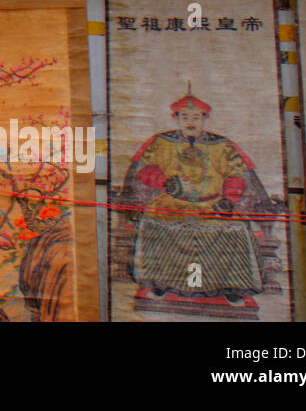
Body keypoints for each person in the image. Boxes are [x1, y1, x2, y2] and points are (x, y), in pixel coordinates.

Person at [119, 87, 277, 305]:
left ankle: (232, 285)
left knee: (236, 230)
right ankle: (159, 281)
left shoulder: (221, 145)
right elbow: (143, 169)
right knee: (155, 225)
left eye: (196, 117)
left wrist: (228, 199)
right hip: (172, 204)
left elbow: (238, 173)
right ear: (177, 119)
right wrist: (163, 181)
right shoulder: (161, 142)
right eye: (185, 117)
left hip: (212, 205)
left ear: (204, 119)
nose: (190, 122)